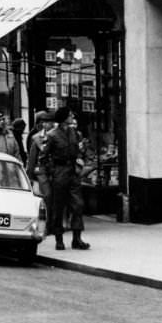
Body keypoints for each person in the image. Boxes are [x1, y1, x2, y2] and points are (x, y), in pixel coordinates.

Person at [41, 107, 90, 251]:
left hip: (72, 172)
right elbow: (43, 157)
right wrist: (52, 172)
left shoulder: (74, 132)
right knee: (58, 207)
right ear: (63, 118)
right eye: (69, 115)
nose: (72, 116)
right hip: (59, 172)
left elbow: (78, 151)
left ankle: (77, 238)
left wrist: (80, 159)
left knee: (78, 205)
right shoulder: (52, 135)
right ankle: (59, 238)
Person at [26, 111, 54, 200]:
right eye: (43, 122)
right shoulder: (36, 137)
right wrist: (30, 176)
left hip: (56, 170)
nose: (45, 125)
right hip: (42, 170)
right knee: (47, 195)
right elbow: (32, 158)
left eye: (48, 122)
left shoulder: (57, 135)